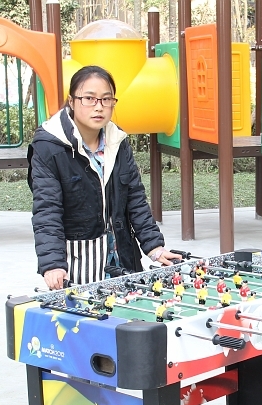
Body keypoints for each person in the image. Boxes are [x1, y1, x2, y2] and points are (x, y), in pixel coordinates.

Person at [27, 65, 180, 290]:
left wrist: (154, 247)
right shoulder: (49, 146)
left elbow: (135, 199)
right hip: (77, 263)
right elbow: (47, 210)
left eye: (106, 99)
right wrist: (52, 265)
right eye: (89, 98)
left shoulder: (118, 141)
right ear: (72, 101)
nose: (99, 107)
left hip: (122, 256)